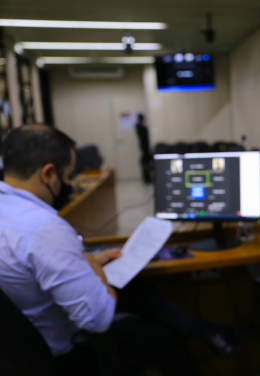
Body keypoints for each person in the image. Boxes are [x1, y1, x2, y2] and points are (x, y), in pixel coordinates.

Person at [0, 125, 246, 376]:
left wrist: (86, 262)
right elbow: (99, 319)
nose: (71, 186)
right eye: (68, 177)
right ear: (48, 174)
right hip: (66, 358)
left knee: (134, 286)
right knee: (163, 337)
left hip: (18, 352)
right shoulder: (44, 230)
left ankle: (213, 333)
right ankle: (212, 334)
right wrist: (93, 267)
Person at [135, 113, 152, 184]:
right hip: (144, 146)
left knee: (146, 161)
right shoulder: (139, 125)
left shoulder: (140, 125)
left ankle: (147, 177)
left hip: (145, 145)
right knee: (145, 161)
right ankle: (146, 177)